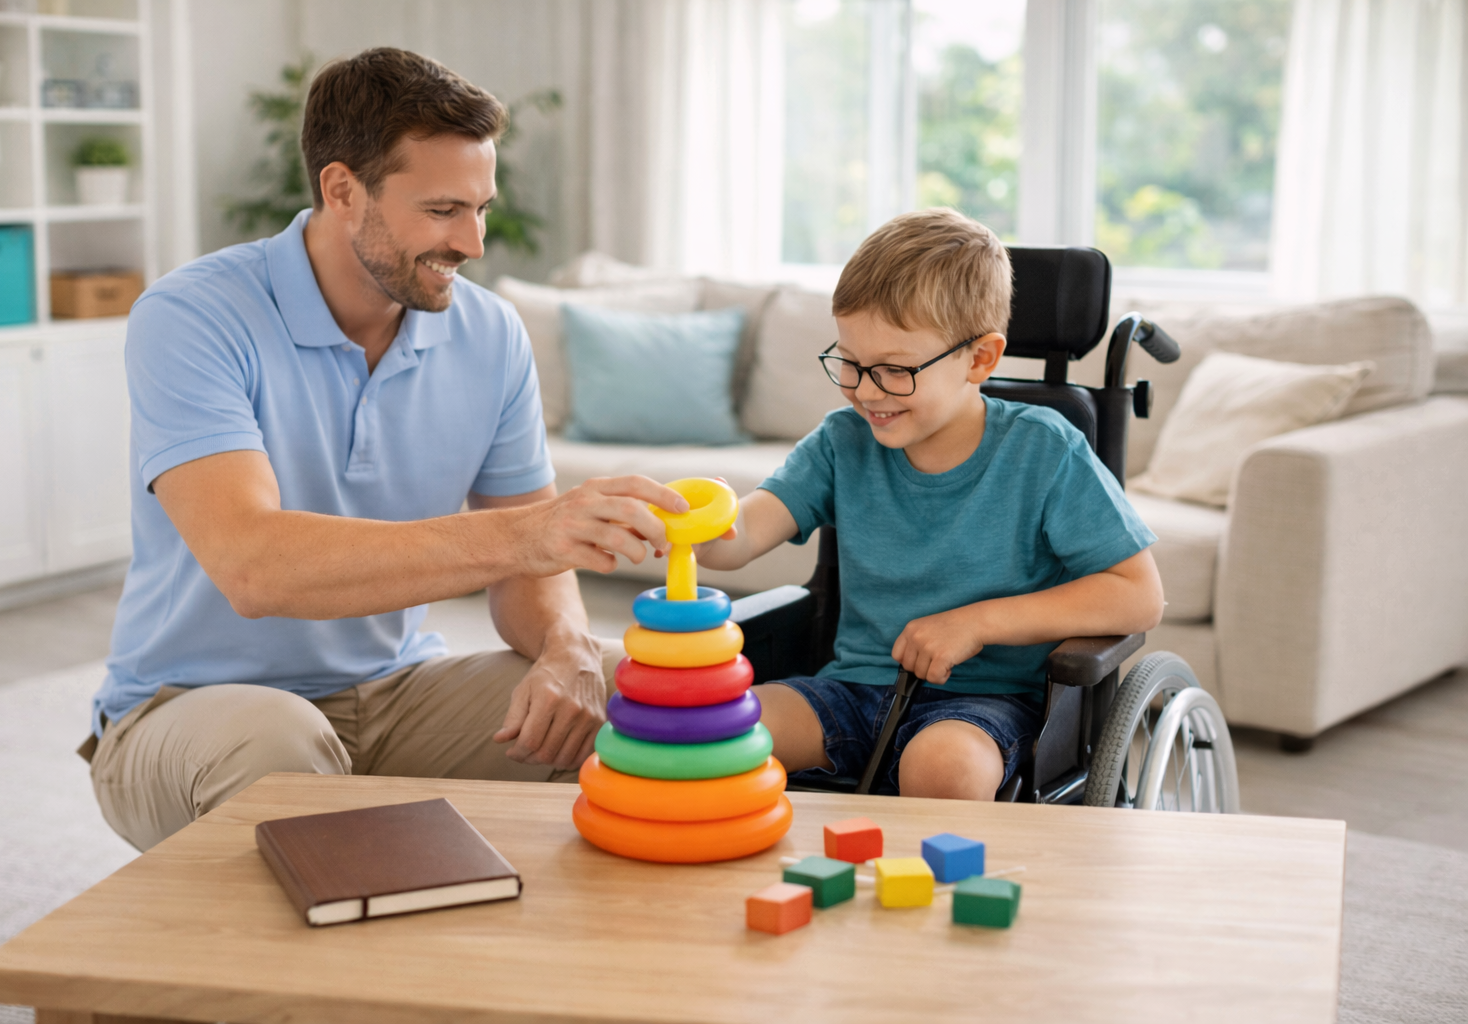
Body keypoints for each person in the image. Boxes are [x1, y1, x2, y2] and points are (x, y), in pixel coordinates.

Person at [81, 48, 684, 851]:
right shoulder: (194, 316)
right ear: (342, 190)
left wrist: (567, 646)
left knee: (647, 694)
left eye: (482, 208)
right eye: (442, 210)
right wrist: (530, 535)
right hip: (190, 707)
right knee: (279, 744)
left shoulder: (489, 331)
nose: (473, 242)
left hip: (395, 694)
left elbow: (529, 579)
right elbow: (253, 567)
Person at [695, 208, 1164, 799]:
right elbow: (738, 535)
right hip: (849, 690)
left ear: (980, 359)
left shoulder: (1044, 450)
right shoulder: (843, 442)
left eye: (893, 370)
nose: (866, 391)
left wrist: (977, 623)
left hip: (984, 704)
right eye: (851, 363)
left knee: (943, 767)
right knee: (716, 732)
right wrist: (686, 525)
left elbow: (1139, 595)